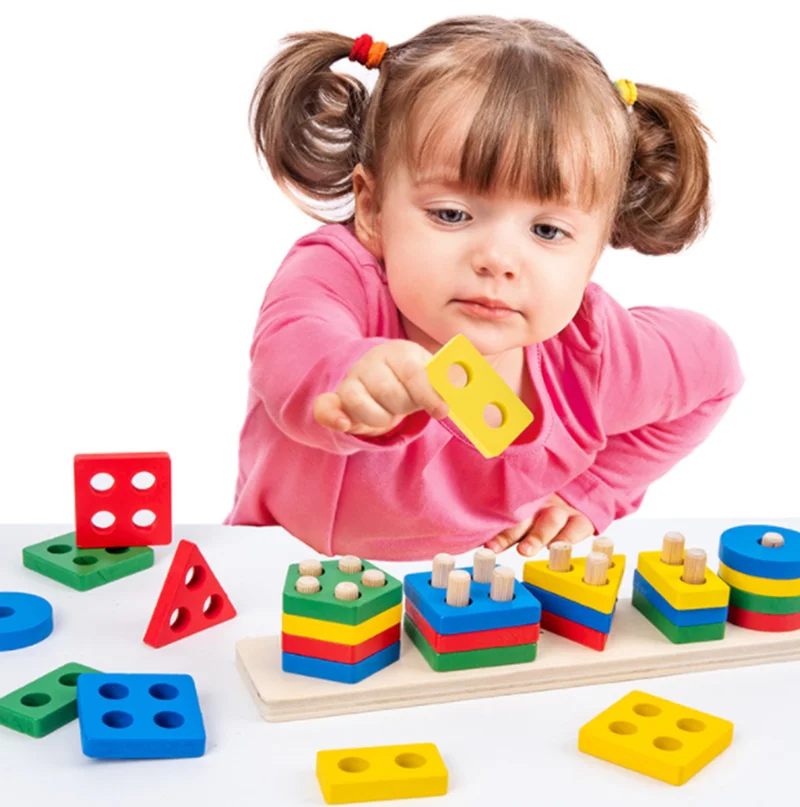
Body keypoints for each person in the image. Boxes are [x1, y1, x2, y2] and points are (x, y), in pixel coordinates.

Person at [224, 15, 744, 561]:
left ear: (596, 248)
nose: (497, 260)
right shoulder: (338, 274)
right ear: (372, 209)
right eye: (451, 214)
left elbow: (715, 373)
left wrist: (594, 490)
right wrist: (349, 374)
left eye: (547, 230)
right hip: (274, 576)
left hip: (483, 594)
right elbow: (290, 347)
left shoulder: (594, 356)